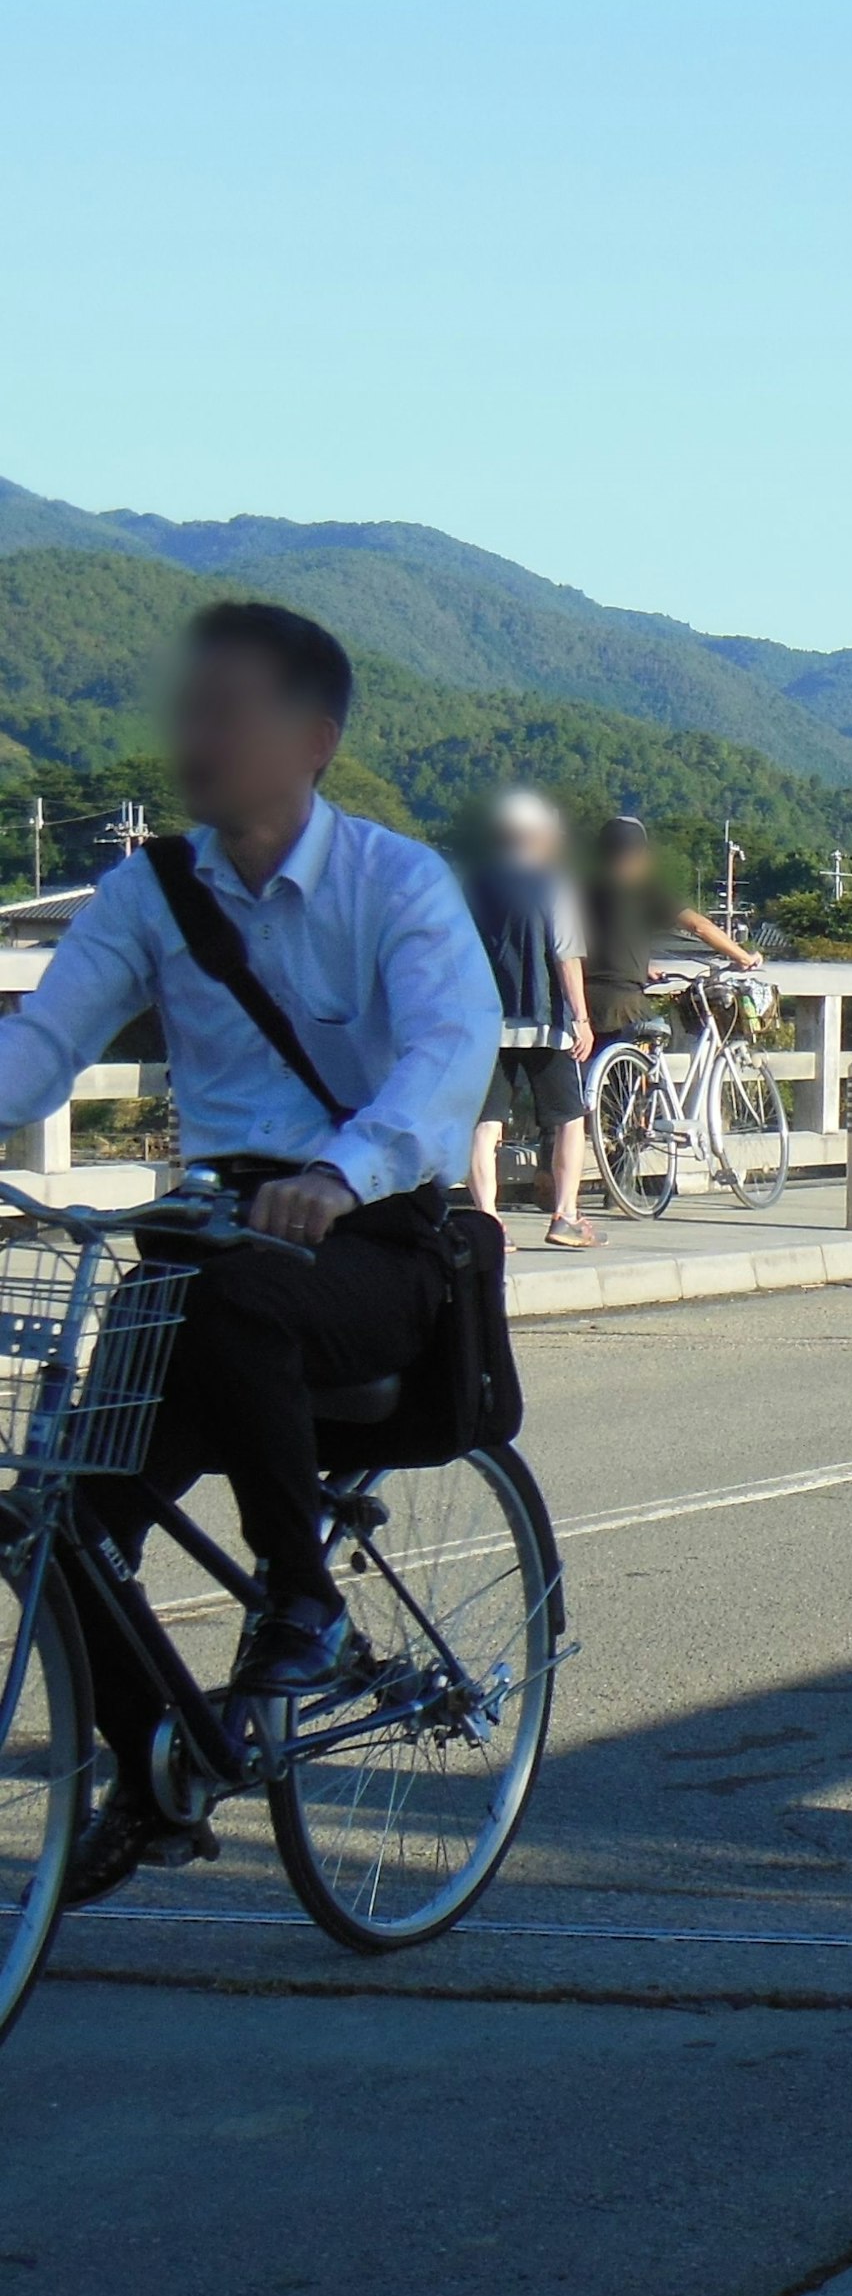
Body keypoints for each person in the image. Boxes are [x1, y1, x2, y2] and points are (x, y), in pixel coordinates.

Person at [0, 602, 497, 1899]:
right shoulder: (151, 890)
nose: (196, 733)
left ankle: (302, 1596)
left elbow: (452, 1057)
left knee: (233, 1296)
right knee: (72, 1508)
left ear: (314, 739)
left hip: (375, 1242)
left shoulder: (395, 885)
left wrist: (344, 1169)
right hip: (210, 1233)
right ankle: (160, 1765)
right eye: (189, 706)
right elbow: (40, 1046)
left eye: (229, 709)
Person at [466, 790, 599, 1246]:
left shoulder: (470, 884)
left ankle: (488, 1222)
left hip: (486, 1023)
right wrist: (581, 1017)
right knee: (568, 1118)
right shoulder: (552, 883)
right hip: (547, 1022)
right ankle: (565, 1216)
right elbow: (566, 956)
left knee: (484, 1124)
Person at [583, 811, 757, 1046]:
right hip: (624, 1003)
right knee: (655, 1041)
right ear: (641, 855)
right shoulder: (644, 891)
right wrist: (743, 956)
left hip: (582, 1002)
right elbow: (699, 926)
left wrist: (640, 965)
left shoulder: (585, 889)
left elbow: (605, 938)